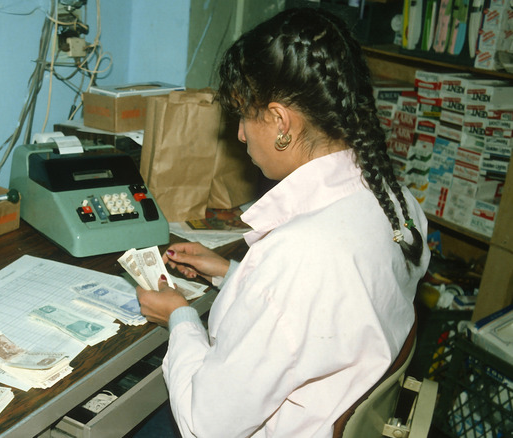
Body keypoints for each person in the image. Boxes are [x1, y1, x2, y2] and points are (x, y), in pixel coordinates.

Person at [135, 7, 431, 438]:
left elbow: (205, 424)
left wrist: (180, 316)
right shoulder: (394, 200)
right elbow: (335, 314)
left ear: (279, 123)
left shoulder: (298, 256)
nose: (239, 134)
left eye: (243, 116)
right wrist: (231, 274)